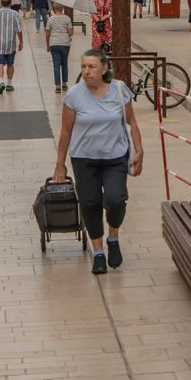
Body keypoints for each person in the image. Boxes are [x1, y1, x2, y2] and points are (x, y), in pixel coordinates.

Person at [53, 51, 145, 275]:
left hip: (115, 156)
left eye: (92, 67)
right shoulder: (74, 95)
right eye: (83, 66)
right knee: (90, 203)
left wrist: (139, 150)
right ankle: (99, 252)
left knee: (115, 199)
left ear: (104, 69)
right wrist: (60, 164)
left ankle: (113, 237)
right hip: (84, 158)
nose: (86, 71)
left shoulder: (119, 89)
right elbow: (65, 131)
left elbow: (131, 122)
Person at [0, 0, 25, 94]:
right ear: (11, 3)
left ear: (1, 2)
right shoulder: (15, 14)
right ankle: (9, 84)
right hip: (10, 44)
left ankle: (1, 82)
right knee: (10, 63)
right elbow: (19, 30)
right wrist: (21, 42)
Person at [45, 1, 76, 92]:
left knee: (56, 64)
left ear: (54, 9)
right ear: (62, 9)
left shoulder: (51, 19)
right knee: (64, 63)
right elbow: (71, 33)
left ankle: (57, 85)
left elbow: (47, 33)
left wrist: (47, 44)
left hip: (54, 43)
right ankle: (65, 83)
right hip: (65, 43)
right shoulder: (67, 18)